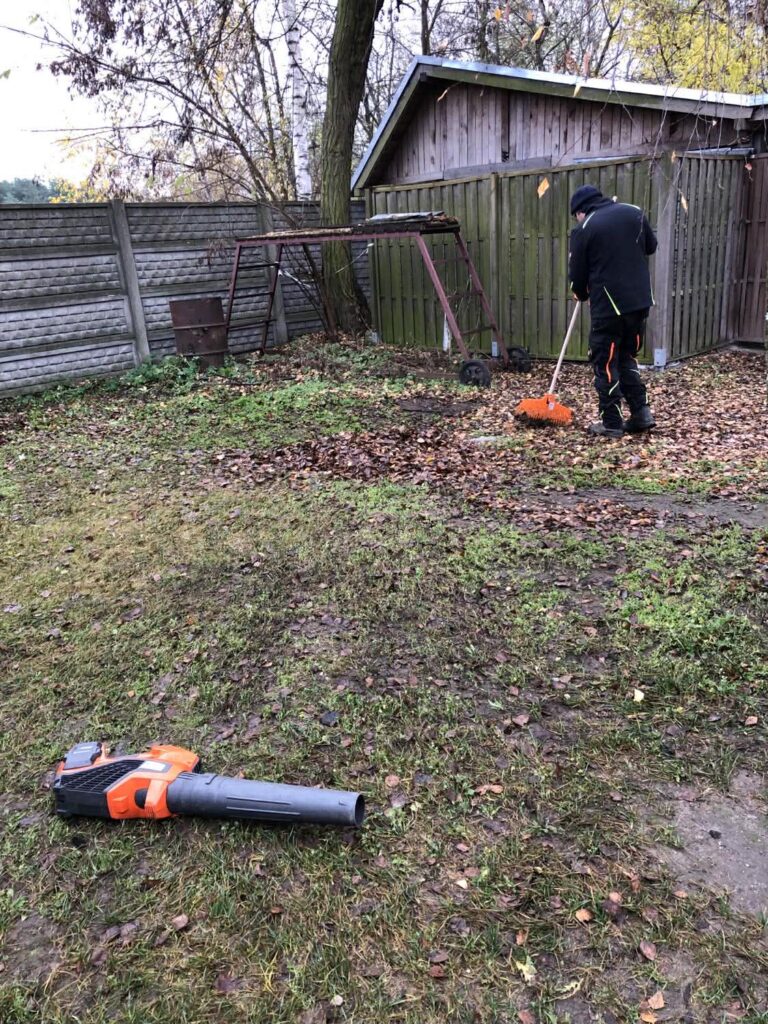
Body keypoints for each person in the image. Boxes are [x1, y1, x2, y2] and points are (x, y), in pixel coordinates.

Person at [568, 184, 658, 438]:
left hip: (609, 308)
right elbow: (650, 246)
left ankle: (611, 423)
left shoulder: (584, 229)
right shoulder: (634, 212)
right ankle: (641, 413)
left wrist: (580, 294)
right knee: (626, 356)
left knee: (605, 362)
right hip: (640, 303)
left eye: (575, 216)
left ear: (581, 211)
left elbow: (577, 278)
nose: (577, 220)